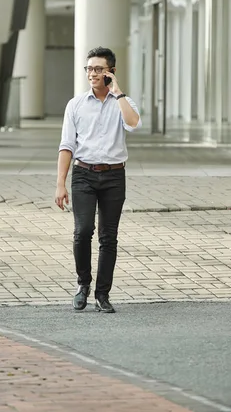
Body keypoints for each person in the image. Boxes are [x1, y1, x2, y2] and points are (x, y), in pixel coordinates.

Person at [55, 46, 141, 313]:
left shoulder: (123, 102)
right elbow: (67, 145)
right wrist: (61, 183)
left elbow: (133, 124)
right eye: (89, 68)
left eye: (98, 69)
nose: (92, 74)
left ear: (111, 72)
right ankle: (83, 285)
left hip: (115, 176)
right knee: (82, 232)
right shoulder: (76, 104)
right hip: (83, 175)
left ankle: (102, 294)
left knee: (109, 236)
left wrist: (118, 93)